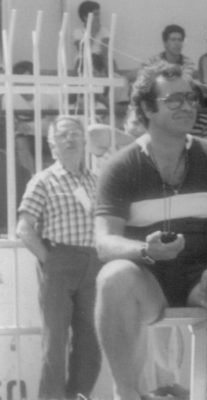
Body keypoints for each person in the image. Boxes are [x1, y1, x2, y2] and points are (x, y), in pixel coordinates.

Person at [94, 62, 207, 400]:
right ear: (147, 108)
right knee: (112, 277)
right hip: (148, 282)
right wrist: (144, 251)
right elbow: (104, 242)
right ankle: (128, 394)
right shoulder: (120, 166)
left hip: (205, 278)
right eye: (175, 99)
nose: (188, 106)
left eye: (191, 98)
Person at [16, 115, 101, 400]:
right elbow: (24, 228)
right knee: (55, 342)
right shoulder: (43, 181)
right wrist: (49, 260)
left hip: (93, 263)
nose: (70, 139)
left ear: (84, 141)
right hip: (58, 261)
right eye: (63, 135)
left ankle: (79, 395)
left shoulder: (96, 181)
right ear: (52, 146)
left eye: (75, 133)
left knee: (90, 340)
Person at [73, 1, 110, 74]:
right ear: (85, 17)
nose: (98, 17)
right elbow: (82, 50)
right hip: (83, 60)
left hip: (99, 59)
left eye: (99, 14)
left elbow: (105, 52)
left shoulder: (104, 31)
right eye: (95, 14)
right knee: (85, 62)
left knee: (110, 62)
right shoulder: (78, 31)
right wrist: (93, 32)